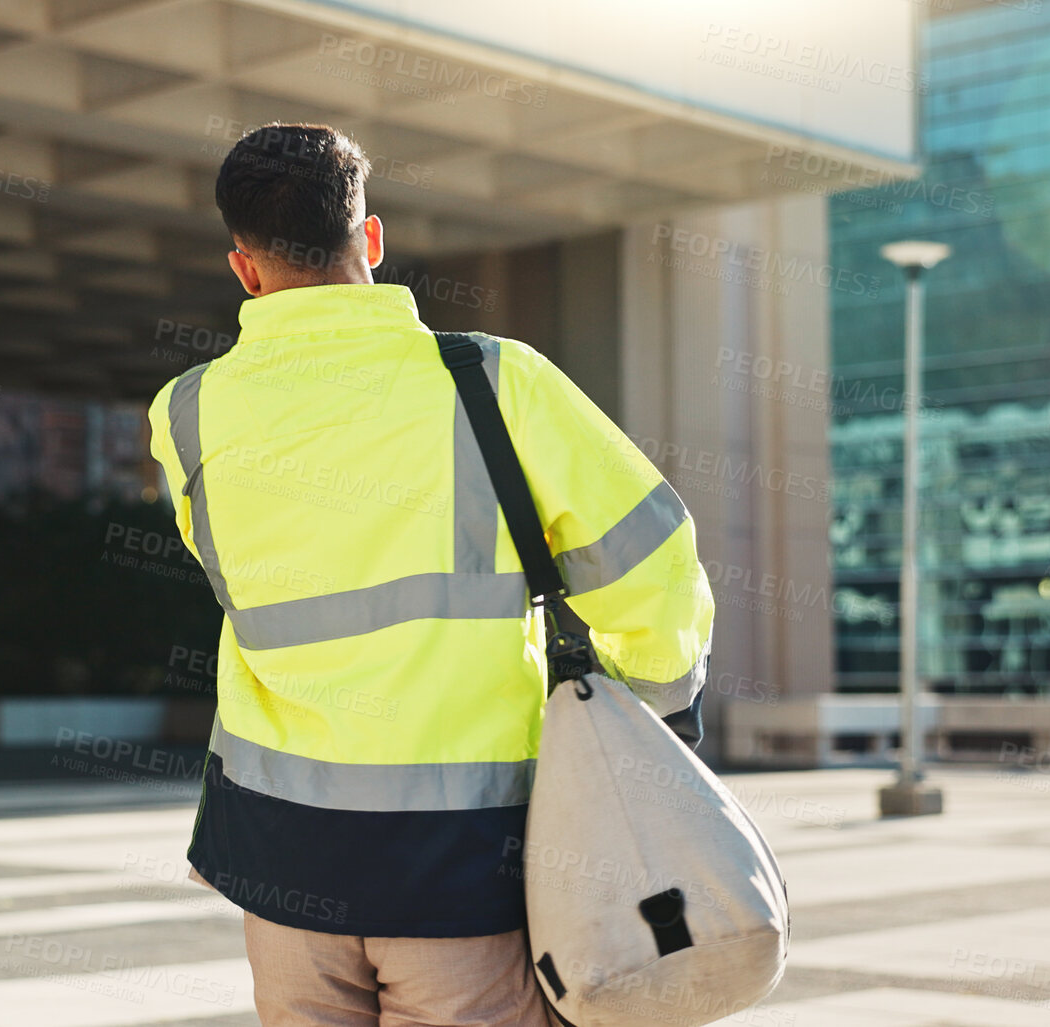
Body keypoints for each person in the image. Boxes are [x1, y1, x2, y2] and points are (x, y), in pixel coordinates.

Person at [146, 123, 715, 1027]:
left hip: (279, 853)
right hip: (463, 859)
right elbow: (651, 560)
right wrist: (655, 718)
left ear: (243, 269)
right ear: (368, 240)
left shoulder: (185, 413)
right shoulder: (492, 379)